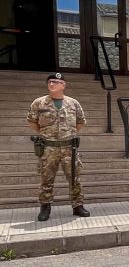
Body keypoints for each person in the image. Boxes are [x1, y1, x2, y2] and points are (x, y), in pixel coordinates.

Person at [26, 72, 90, 221]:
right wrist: (47, 133)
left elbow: (80, 122)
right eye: (50, 82)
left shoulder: (73, 103)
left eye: (55, 82)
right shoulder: (39, 103)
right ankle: (45, 207)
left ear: (63, 85)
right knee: (46, 179)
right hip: (48, 148)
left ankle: (77, 206)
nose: (52, 84)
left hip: (69, 148)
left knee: (75, 177)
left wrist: (67, 133)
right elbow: (32, 122)